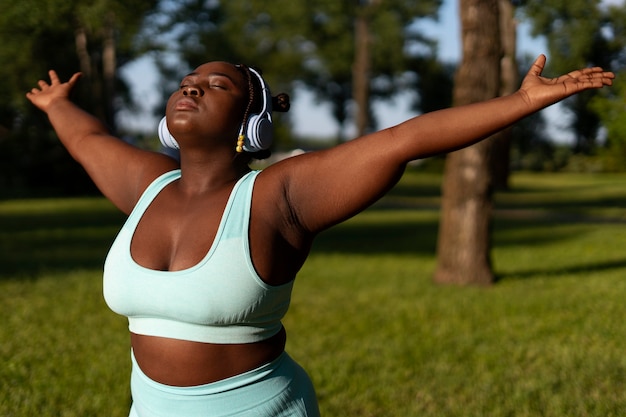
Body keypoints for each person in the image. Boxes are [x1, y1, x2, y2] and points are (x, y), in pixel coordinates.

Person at [26, 55, 614, 416]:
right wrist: (56, 106)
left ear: (249, 123)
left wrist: (519, 103)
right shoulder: (147, 185)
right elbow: (89, 141)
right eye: (187, 80)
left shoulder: (278, 195)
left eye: (218, 85)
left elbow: (404, 140)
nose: (193, 86)